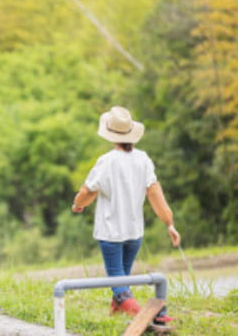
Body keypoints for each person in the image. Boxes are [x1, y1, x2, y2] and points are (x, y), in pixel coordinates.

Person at [71, 106, 181, 324]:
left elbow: (87, 191)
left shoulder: (107, 161)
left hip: (111, 234)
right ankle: (116, 316)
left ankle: (154, 316)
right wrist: (169, 223)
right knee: (123, 279)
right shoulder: (143, 159)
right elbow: (154, 192)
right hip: (134, 233)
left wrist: (78, 205)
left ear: (110, 135)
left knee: (119, 285)